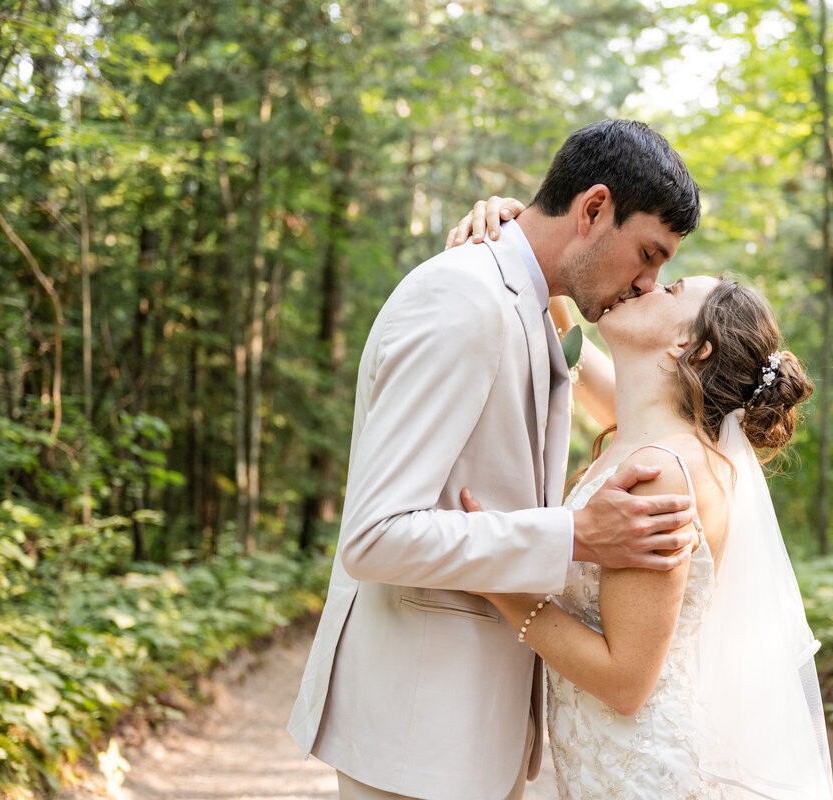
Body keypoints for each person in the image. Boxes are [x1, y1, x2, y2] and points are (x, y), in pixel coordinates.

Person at [287, 120, 702, 800]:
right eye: (648, 254)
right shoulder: (463, 297)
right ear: (594, 208)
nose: (648, 285)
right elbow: (373, 536)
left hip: (480, 737)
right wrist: (574, 535)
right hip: (417, 739)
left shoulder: (532, 305)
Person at [451, 200, 833, 799]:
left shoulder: (663, 473)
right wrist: (519, 226)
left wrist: (496, 576)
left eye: (673, 288)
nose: (648, 283)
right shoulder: (652, 433)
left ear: (692, 346)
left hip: (643, 775)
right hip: (615, 764)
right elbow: (569, 342)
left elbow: (626, 681)